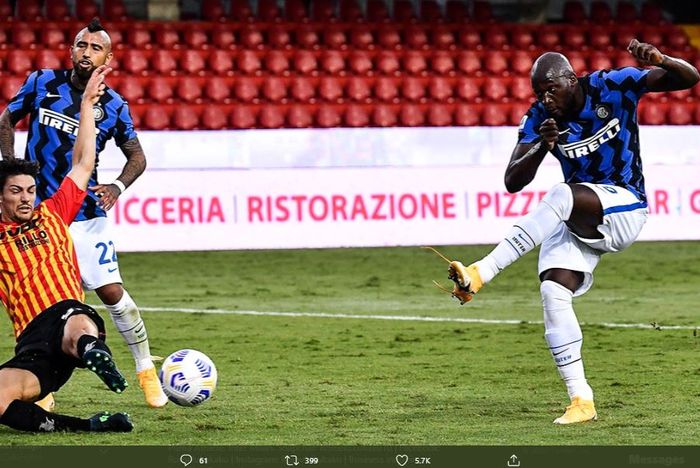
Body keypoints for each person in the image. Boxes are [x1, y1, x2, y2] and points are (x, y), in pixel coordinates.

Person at [441, 39, 699, 424]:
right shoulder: (539, 120)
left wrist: (662, 60)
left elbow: (690, 79)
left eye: (551, 89)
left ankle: (481, 272)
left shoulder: (611, 85)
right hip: (579, 215)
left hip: (625, 205)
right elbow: (513, 181)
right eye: (539, 93)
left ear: (571, 79)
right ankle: (582, 400)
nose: (546, 99)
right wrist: (542, 147)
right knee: (552, 290)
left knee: (562, 194)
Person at [0, 18, 167, 408]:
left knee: (112, 292)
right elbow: (7, 119)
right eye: (80, 45)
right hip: (40, 214)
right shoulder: (42, 82)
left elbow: (137, 156)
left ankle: (145, 369)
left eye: (95, 48)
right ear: (71, 50)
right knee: (37, 302)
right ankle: (43, 387)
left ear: (108, 57)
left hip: (84, 213)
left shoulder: (113, 105)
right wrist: (12, 169)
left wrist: (118, 186)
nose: (85, 52)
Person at [0, 65, 133, 433]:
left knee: (76, 323)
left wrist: (88, 105)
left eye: (30, 190)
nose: (26, 198)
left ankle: (95, 352)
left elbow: (83, 162)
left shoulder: (55, 211)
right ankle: (88, 426)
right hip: (34, 346)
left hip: (68, 317)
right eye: (15, 191)